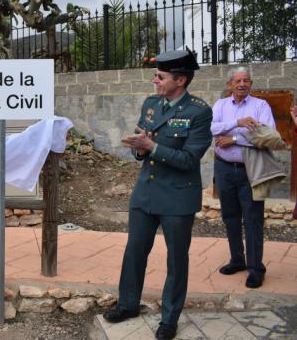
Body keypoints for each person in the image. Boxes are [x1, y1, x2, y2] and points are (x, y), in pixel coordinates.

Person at [103, 50, 213, 340]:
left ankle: (169, 318)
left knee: (176, 259)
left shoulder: (199, 112)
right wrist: (140, 148)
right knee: (135, 251)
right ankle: (128, 305)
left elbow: (189, 159)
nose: (155, 81)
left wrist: (151, 148)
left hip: (178, 198)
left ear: (181, 80)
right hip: (146, 192)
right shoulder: (152, 104)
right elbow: (145, 145)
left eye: (161, 77)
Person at [211, 67, 275, 289]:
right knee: (230, 216)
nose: (242, 84)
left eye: (246, 80)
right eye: (237, 80)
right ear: (230, 84)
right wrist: (237, 124)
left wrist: (234, 139)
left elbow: (267, 134)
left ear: (251, 84)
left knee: (253, 219)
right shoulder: (220, 105)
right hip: (224, 168)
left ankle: (256, 268)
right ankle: (237, 260)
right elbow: (212, 128)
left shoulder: (260, 106)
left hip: (251, 169)